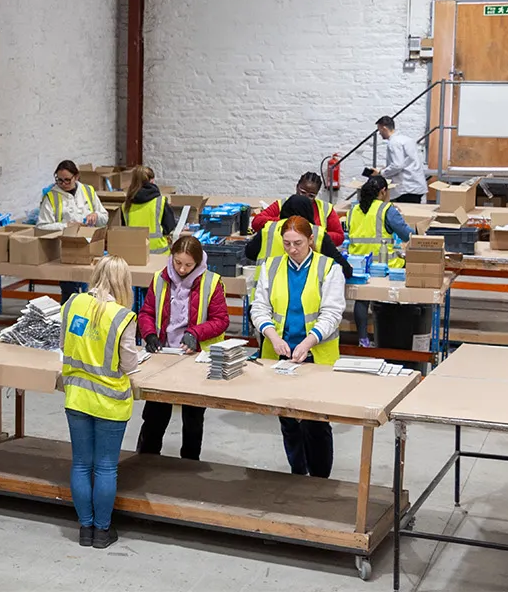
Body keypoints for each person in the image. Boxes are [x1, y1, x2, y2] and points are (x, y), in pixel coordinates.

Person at [247, 215, 348, 478]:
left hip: (316, 355)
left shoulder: (329, 268)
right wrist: (271, 335)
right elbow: (259, 307)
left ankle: (319, 479)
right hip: (279, 356)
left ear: (311, 240)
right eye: (287, 243)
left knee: (316, 422)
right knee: (288, 420)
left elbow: (332, 313)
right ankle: (297, 474)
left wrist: (309, 340)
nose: (292, 249)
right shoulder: (271, 266)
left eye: (298, 243)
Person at [61, 255, 137, 549]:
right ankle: (102, 533)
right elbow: (129, 364)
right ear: (123, 282)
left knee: (81, 464)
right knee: (105, 467)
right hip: (109, 402)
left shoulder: (72, 304)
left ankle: (85, 529)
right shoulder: (121, 316)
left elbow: (64, 345)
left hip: (77, 396)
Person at [136, 236, 229, 461]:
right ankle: (146, 460)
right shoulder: (159, 278)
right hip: (163, 357)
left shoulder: (212, 282)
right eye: (178, 262)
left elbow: (221, 320)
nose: (182, 269)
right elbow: (146, 312)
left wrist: (195, 333)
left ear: (198, 262)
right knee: (154, 416)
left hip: (194, 359)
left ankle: (189, 464)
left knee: (193, 420)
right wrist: (149, 334)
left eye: (188, 265)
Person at [346, 175, 414, 348]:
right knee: (390, 301)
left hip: (358, 265)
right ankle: (390, 339)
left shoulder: (353, 209)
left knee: (361, 300)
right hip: (383, 266)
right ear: (383, 191)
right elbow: (407, 235)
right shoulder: (386, 210)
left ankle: (363, 339)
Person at [40, 160, 108, 301]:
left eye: (67, 180)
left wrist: (96, 216)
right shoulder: (51, 196)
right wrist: (66, 226)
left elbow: (104, 217)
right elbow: (41, 226)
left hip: (90, 249)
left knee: (92, 292)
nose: (63, 184)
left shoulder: (88, 191)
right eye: (59, 180)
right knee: (70, 293)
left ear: (76, 177)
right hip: (67, 252)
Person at [245, 194, 348, 270]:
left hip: (265, 295)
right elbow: (344, 268)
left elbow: (250, 253)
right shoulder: (317, 233)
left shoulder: (269, 229)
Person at [250, 171, 346, 248]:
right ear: (297, 187)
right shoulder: (282, 204)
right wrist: (287, 223)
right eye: (302, 192)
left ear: (316, 195)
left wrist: (314, 233)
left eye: (311, 196)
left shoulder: (325, 208)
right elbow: (257, 222)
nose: (306, 197)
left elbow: (339, 236)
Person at [364, 116, 427, 203]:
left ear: (384, 128)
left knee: (405, 214)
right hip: (416, 185)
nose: (379, 133)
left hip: (406, 188)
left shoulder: (394, 143)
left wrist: (380, 173)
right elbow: (406, 161)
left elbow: (397, 165)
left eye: (379, 130)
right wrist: (386, 168)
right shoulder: (407, 139)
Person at [123, 165, 178, 256]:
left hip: (135, 255)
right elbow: (170, 226)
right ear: (152, 180)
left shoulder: (126, 205)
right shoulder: (160, 202)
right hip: (159, 255)